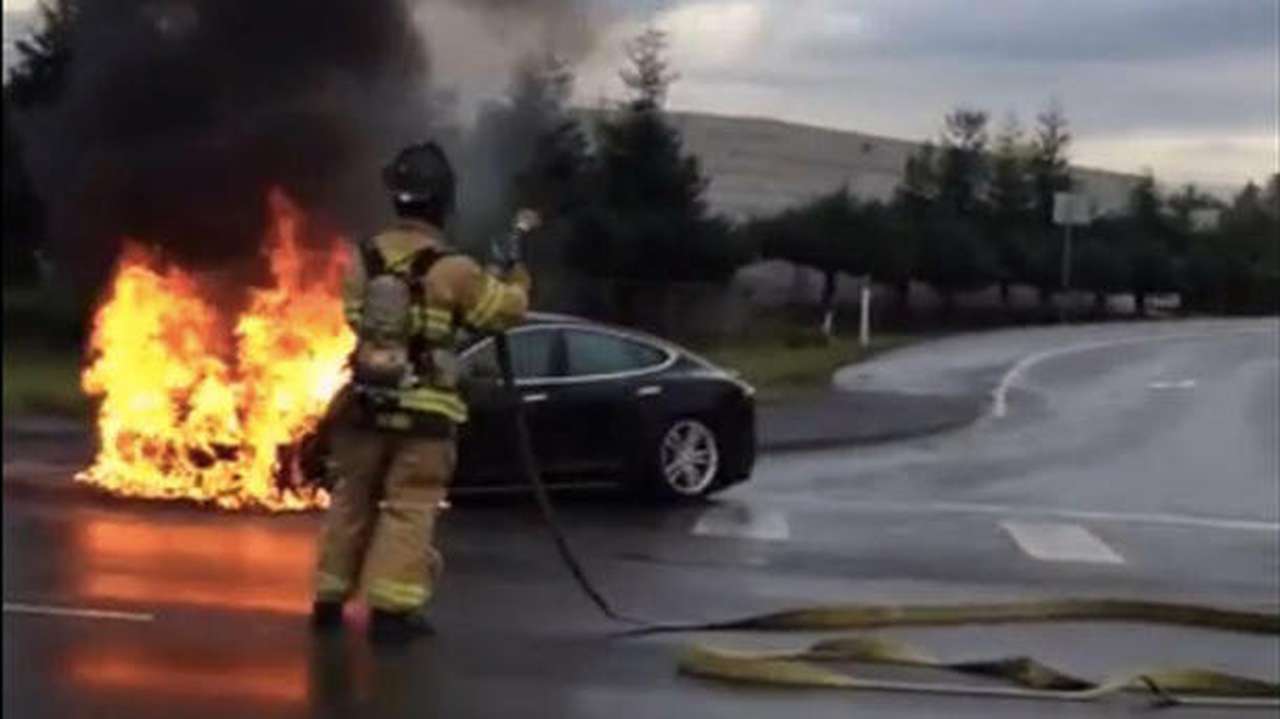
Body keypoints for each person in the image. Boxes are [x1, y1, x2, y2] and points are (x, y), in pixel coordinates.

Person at [311, 140, 538, 643]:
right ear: (445, 202)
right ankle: (390, 615)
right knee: (408, 508)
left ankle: (328, 601)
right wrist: (515, 272)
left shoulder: (363, 259)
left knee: (350, 501)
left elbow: (355, 318)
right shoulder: (454, 269)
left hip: (363, 407)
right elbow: (502, 311)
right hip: (425, 418)